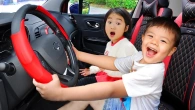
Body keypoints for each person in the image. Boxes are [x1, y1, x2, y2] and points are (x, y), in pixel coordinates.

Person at [33, 17, 181, 110]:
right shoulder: (139, 56)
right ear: (143, 38)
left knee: (99, 96)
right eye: (151, 36)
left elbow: (110, 89)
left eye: (163, 41)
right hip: (129, 103)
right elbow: (114, 63)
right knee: (86, 98)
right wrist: (79, 54)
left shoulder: (152, 73)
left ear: (171, 51)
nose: (154, 42)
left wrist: (59, 94)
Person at [77, 7, 138, 86]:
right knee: (80, 74)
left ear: (126, 28)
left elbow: (123, 72)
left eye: (118, 23)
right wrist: (91, 70)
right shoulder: (109, 44)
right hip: (107, 75)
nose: (112, 26)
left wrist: (104, 68)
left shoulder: (126, 46)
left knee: (82, 83)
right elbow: (104, 62)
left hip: (117, 81)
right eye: (109, 22)